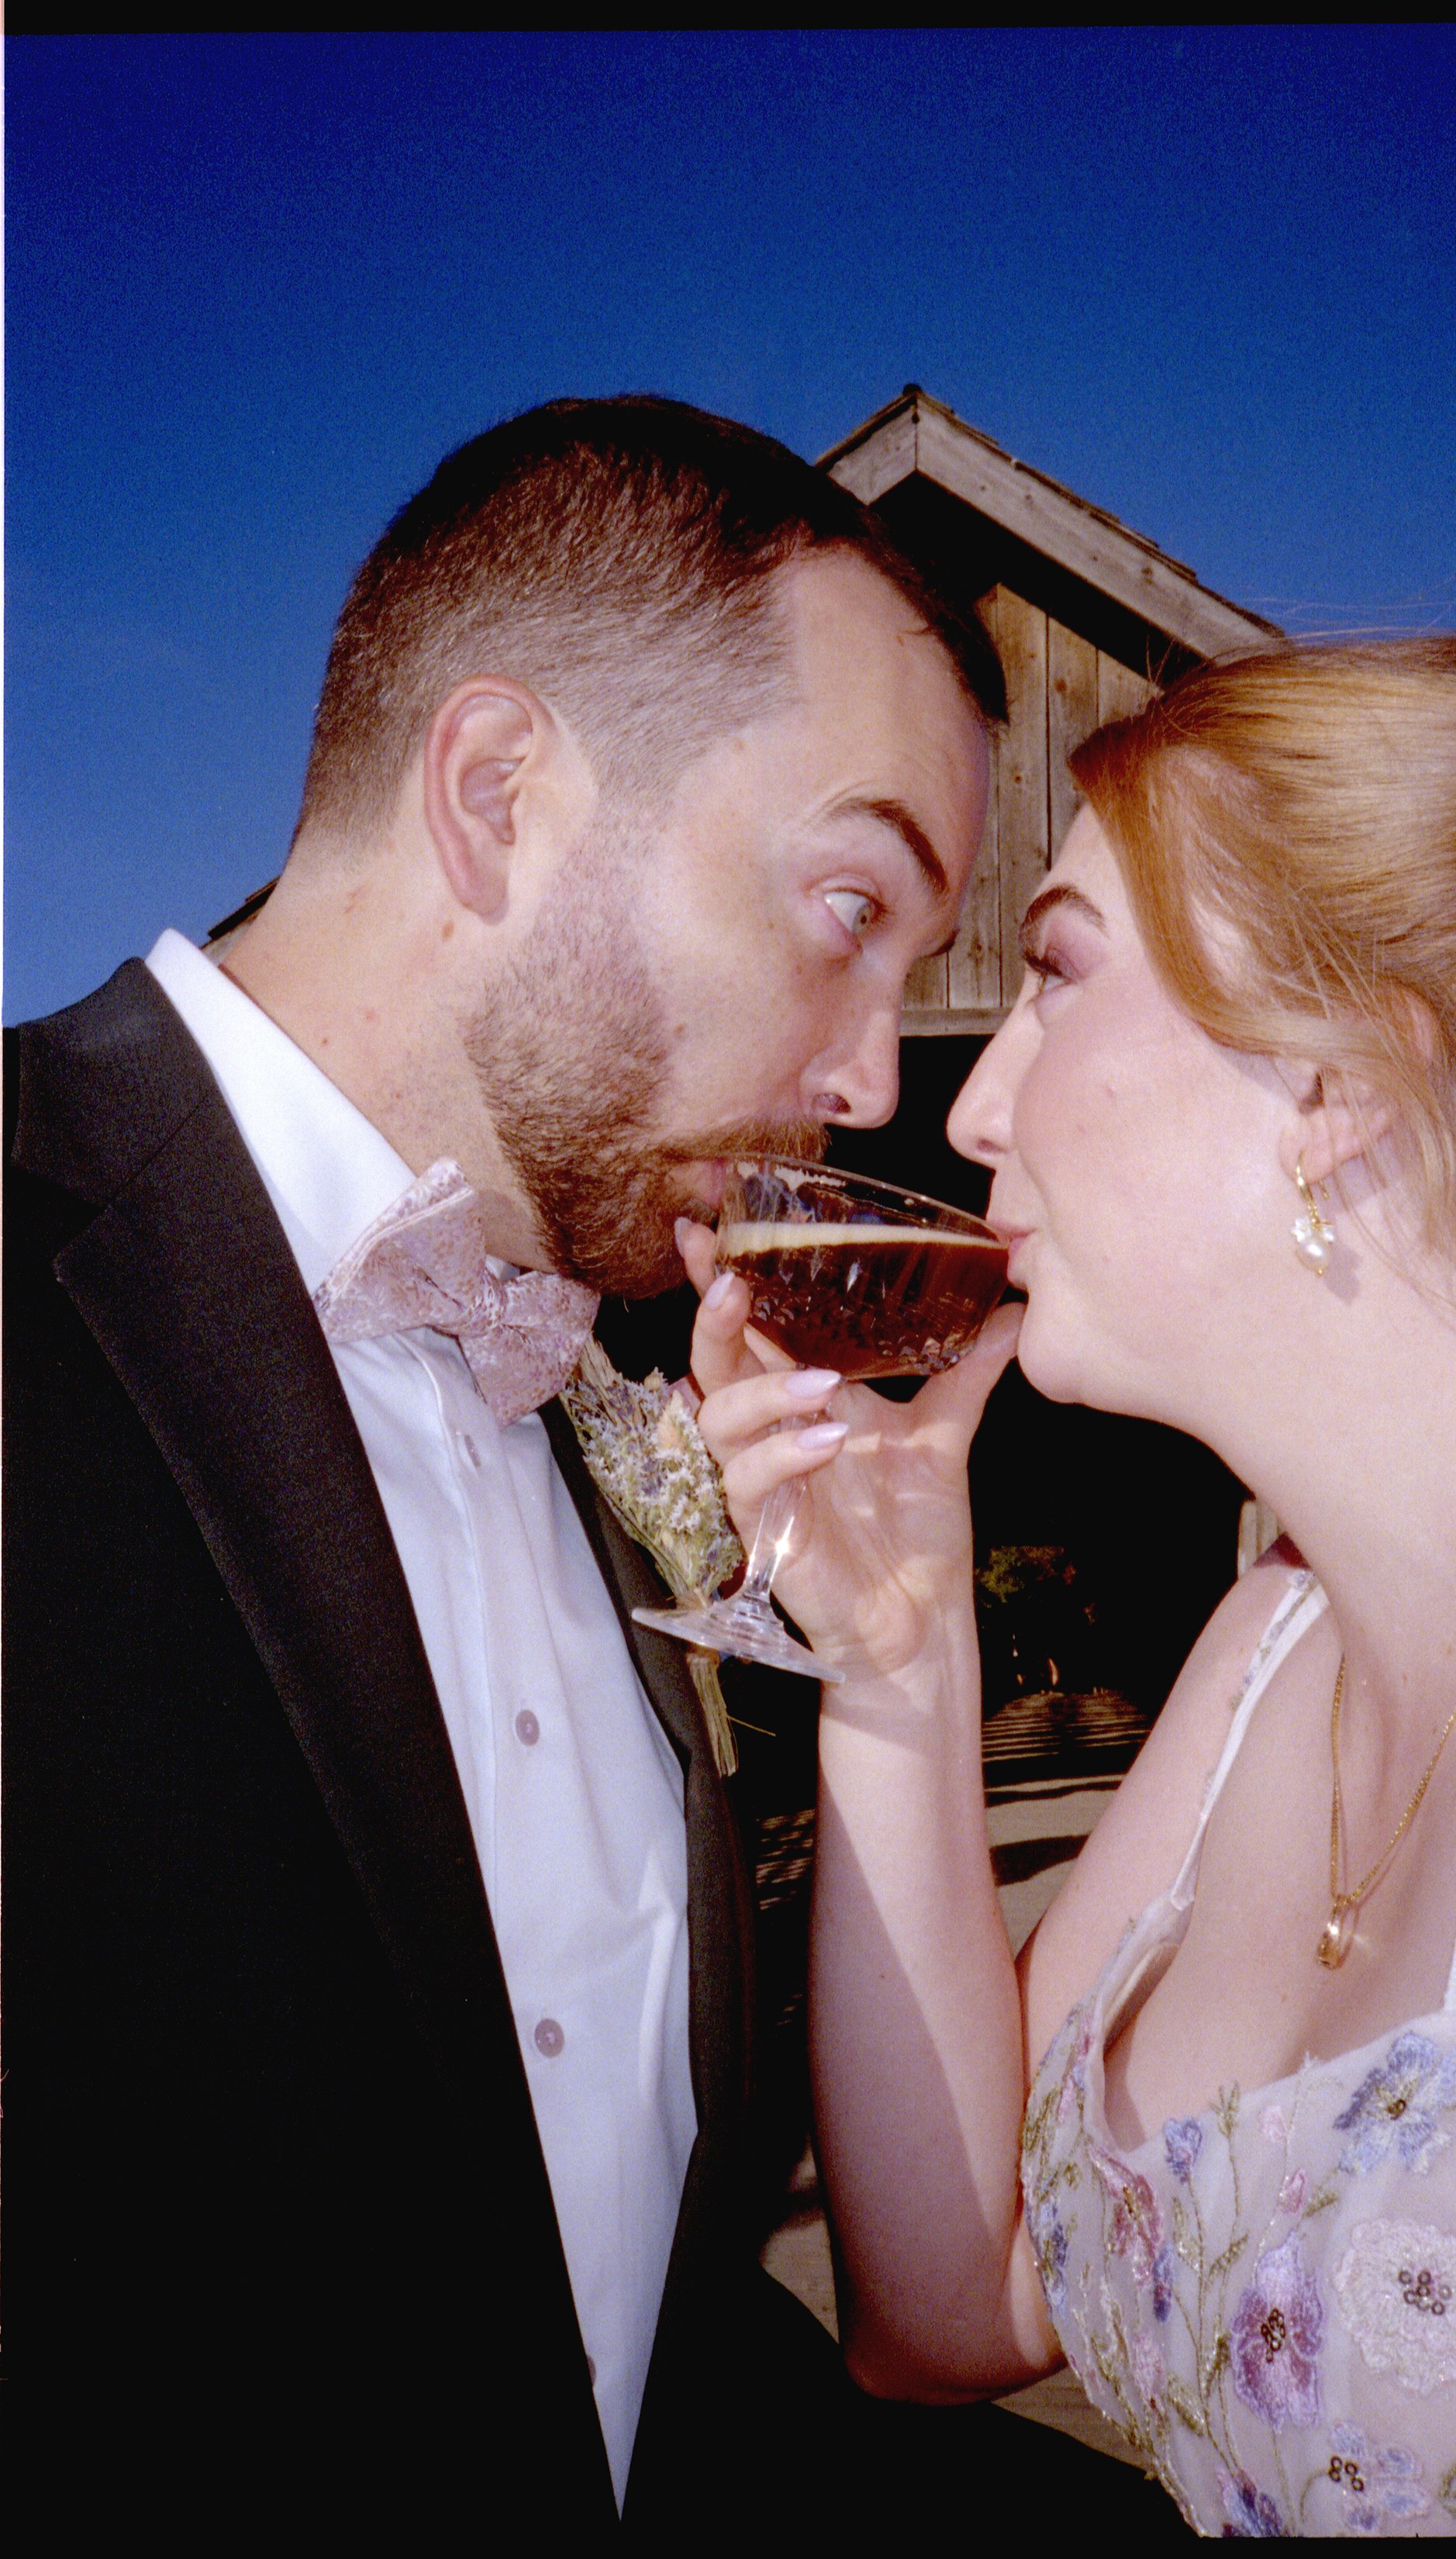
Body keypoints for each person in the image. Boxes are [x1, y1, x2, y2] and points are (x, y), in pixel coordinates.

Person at [5, 395, 1033, 2516]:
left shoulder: (612, 1411)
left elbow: (627, 2281)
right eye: (849, 904)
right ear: (495, 798)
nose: (872, 1076)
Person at [685, 637, 1456, 2537]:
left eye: (1055, 974)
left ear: (1339, 1080)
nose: (968, 1112)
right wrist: (896, 1659)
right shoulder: (1261, 1660)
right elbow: (941, 2314)